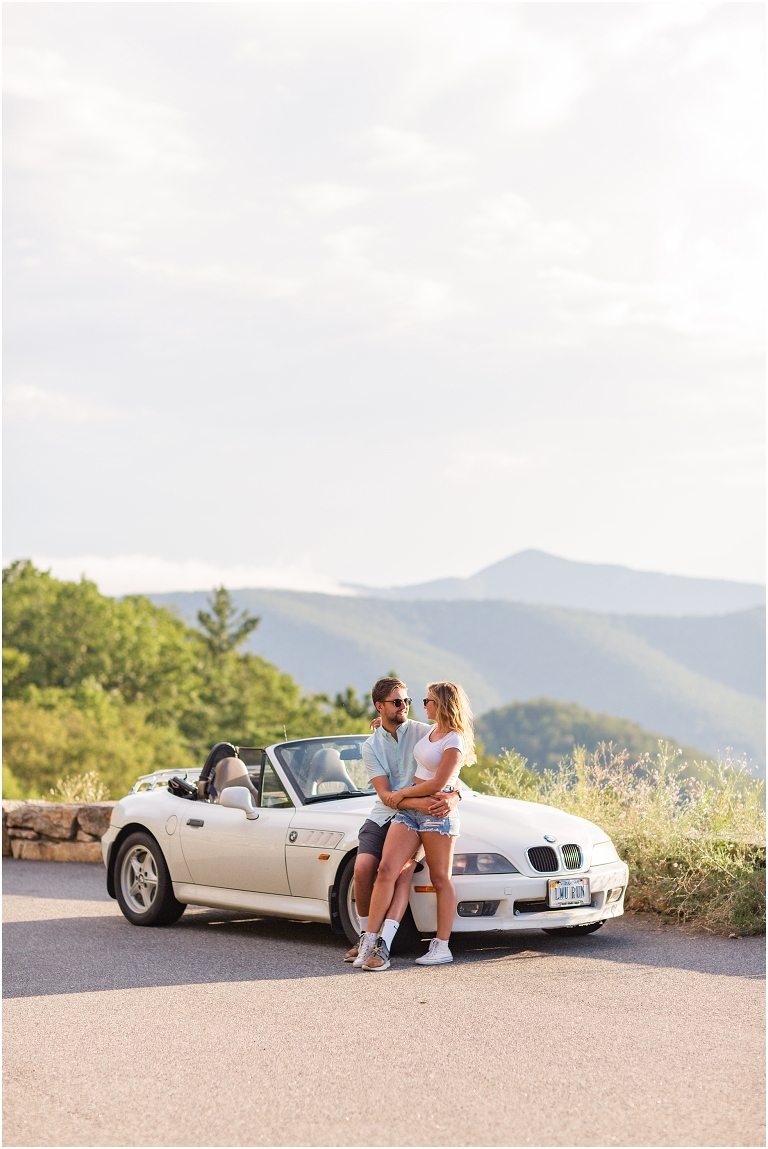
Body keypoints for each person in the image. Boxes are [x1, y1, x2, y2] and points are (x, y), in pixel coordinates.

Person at [344, 677, 461, 968]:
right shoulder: (371, 746)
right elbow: (386, 796)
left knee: (403, 870)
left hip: (418, 814)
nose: (406, 706)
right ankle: (365, 936)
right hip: (387, 812)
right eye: (398, 702)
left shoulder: (424, 732)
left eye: (407, 701)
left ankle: (384, 942)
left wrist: (455, 797)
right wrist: (417, 801)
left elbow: (450, 773)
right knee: (365, 868)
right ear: (379, 707)